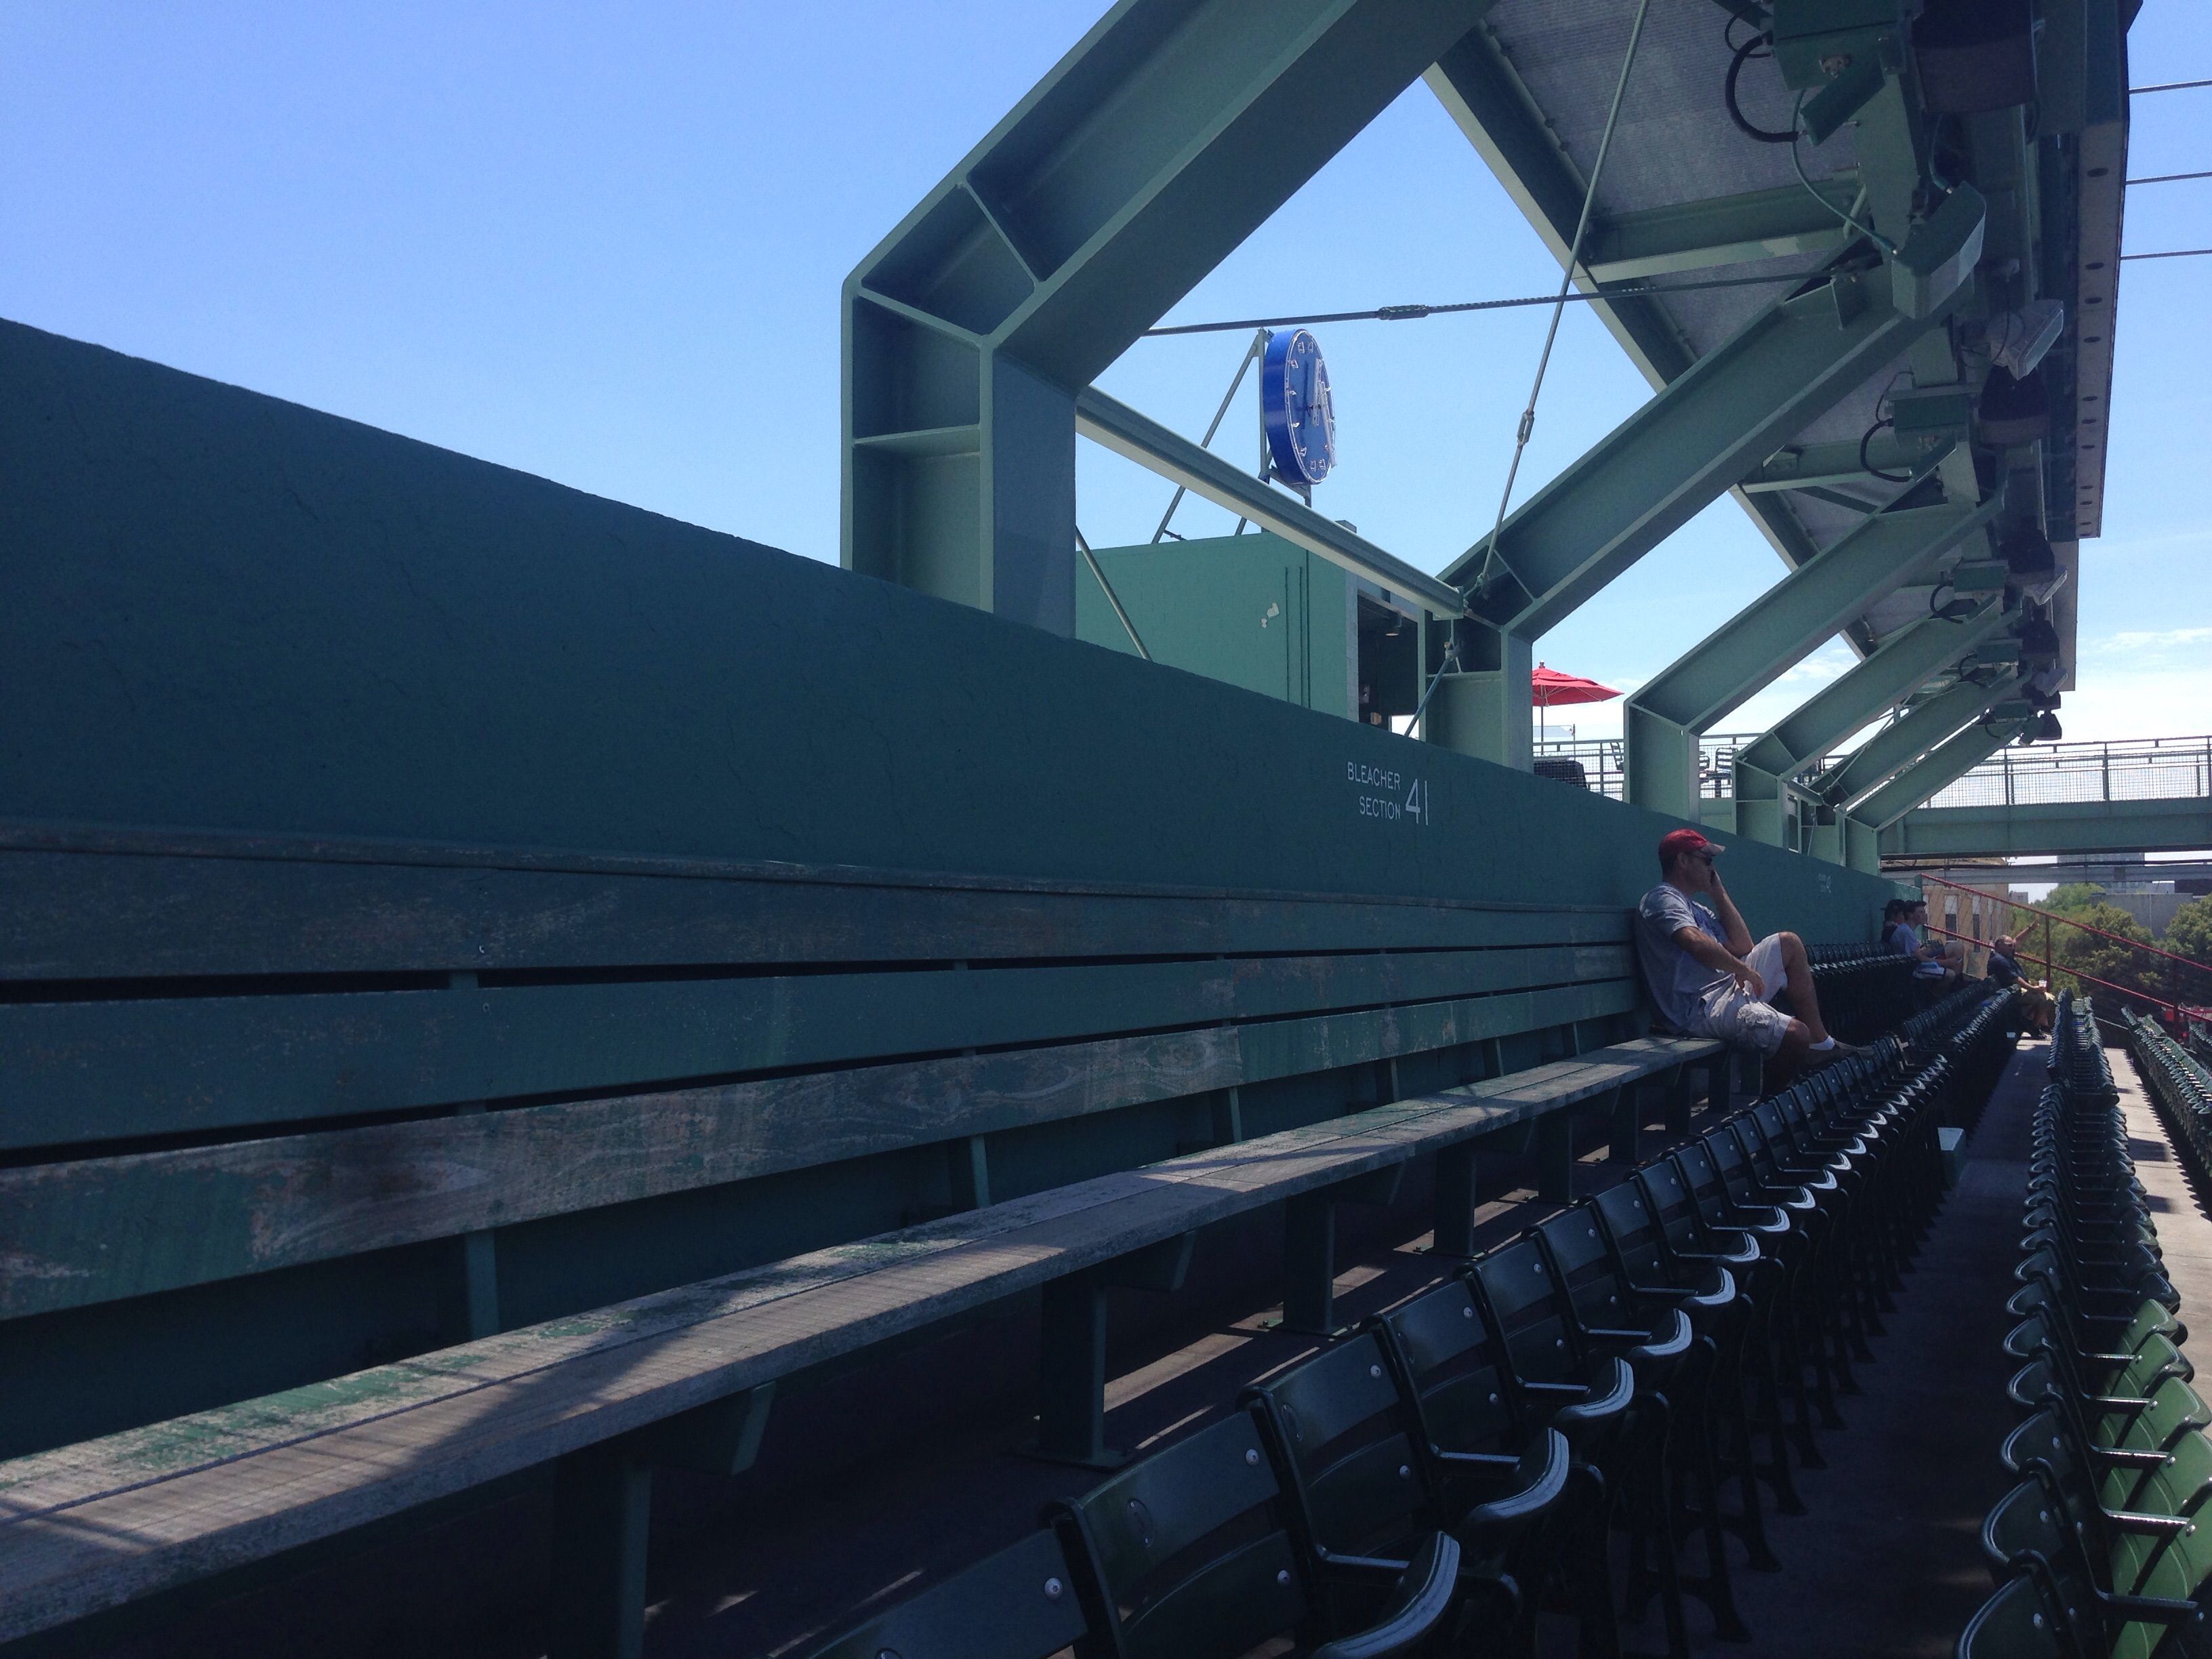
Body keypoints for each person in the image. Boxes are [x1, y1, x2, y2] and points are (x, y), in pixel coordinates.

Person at [1635, 828, 1861, 1081]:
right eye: (1707, 860)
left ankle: (1821, 1045)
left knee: (1789, 943)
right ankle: (1770, 1106)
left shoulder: (1696, 907)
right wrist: (1742, 970)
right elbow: (1695, 943)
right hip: (1698, 1008)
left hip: (1724, 988)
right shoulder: (1662, 898)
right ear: (1683, 861)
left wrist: (1718, 894)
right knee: (1796, 1035)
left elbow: (1743, 945)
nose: (1712, 868)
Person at [1885, 898, 1960, 1002]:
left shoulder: (1907, 929)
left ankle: (1954, 993)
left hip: (1914, 964)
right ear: (1911, 915)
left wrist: (1925, 951)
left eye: (1924, 912)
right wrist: (1946, 962)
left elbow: (1916, 953)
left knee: (1956, 950)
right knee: (1950, 974)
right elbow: (1917, 958)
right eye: (1920, 912)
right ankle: (1934, 1000)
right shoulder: (1905, 931)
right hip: (1912, 970)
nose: (1924, 915)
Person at [1986, 934, 2056, 1036]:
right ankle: (2033, 1026)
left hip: (2016, 990)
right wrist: (2033, 989)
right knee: (2042, 999)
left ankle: (2031, 1023)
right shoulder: (1999, 960)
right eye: (2009, 946)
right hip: (2009, 992)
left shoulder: (2007, 956)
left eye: (2013, 946)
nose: (2012, 948)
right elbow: (2015, 979)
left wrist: (2031, 929)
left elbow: (2017, 941)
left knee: (2050, 998)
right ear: (1999, 945)